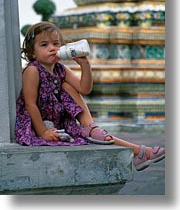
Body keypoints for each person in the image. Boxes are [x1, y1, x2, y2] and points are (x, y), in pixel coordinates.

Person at [15, 21, 165, 171]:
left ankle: (95, 129)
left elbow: (84, 89)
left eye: (56, 44)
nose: (52, 48)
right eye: (44, 45)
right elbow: (30, 104)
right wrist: (43, 132)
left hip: (60, 122)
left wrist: (85, 65)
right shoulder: (33, 70)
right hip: (40, 124)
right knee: (96, 134)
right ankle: (139, 151)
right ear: (32, 52)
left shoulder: (61, 69)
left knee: (68, 87)